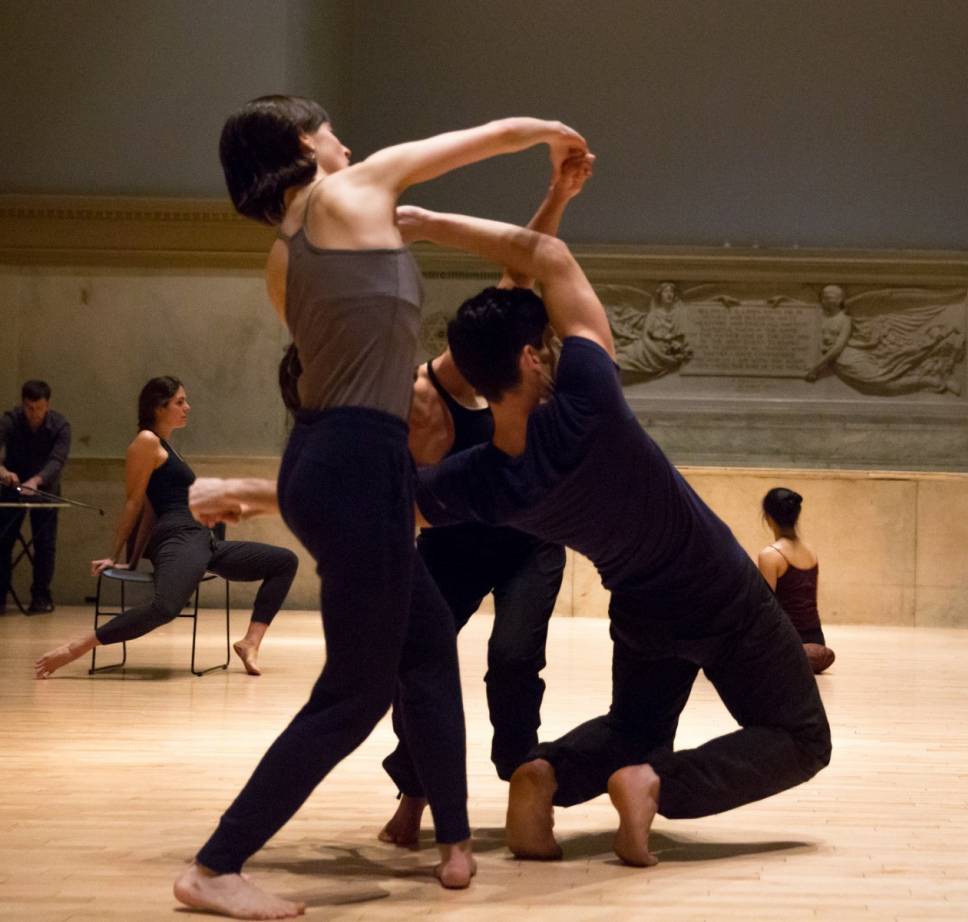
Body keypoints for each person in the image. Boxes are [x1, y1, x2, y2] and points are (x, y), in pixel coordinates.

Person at [175, 95, 588, 919]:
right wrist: (548, 130)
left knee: (428, 641)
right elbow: (475, 135)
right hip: (359, 463)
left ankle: (455, 838)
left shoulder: (283, 253)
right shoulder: (354, 192)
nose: (345, 138)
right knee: (356, 694)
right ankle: (215, 865)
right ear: (302, 142)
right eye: (327, 128)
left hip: (333, 461)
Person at [404, 206, 832, 869]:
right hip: (719, 589)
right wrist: (425, 221)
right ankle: (654, 786)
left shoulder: (485, 480)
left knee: (636, 729)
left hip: (640, 606)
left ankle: (546, 774)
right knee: (802, 739)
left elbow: (393, 507)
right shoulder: (588, 401)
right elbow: (551, 258)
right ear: (529, 356)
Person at [377, 151, 592, 850]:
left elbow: (523, 262)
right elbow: (410, 494)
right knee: (420, 657)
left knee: (511, 657)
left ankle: (518, 777)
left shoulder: (504, 353)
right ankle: (416, 789)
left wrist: (556, 193)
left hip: (528, 539)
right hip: (453, 542)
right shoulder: (419, 399)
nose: (530, 360)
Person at [33, 377, 299, 679]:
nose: (187, 407)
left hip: (200, 539)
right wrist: (116, 555)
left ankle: (250, 643)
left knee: (284, 561)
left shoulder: (165, 446)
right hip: (179, 535)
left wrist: (133, 559)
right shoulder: (145, 442)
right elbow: (135, 503)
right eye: (179, 402)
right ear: (159, 407)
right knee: (165, 607)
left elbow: (149, 509)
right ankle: (76, 648)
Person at [1, 380, 71, 614]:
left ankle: (41, 596)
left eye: (38, 408)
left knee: (45, 545)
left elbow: (57, 461)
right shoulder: (10, 420)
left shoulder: (60, 425)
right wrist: (3, 472)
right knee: (3, 541)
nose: (34, 413)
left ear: (47, 405)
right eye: (29, 408)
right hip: (12, 487)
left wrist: (37, 480)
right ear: (23, 405)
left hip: (44, 489)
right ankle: (0, 594)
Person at [756, 487, 835, 674]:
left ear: (767, 517)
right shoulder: (811, 551)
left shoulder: (770, 555)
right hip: (817, 641)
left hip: (787, 642)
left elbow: (765, 609)